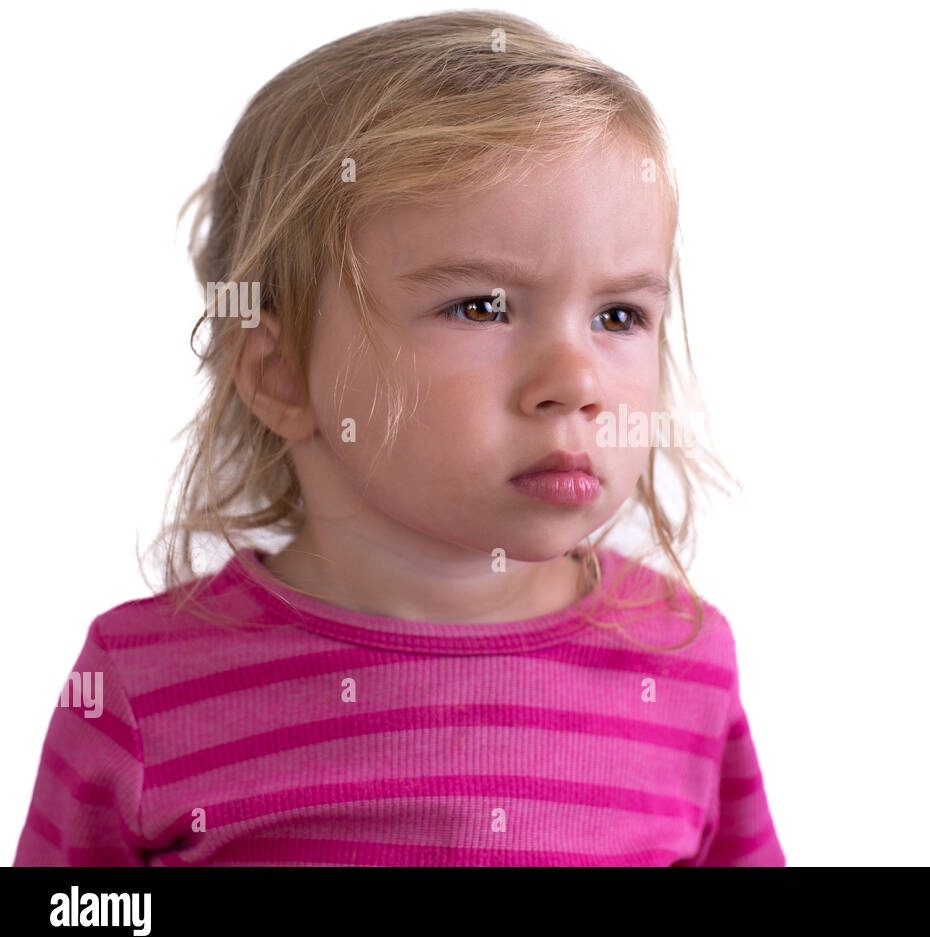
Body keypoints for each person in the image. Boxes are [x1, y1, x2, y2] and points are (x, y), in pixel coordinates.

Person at [13, 10, 783, 866]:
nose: (577, 382)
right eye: (480, 306)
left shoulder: (681, 661)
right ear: (281, 374)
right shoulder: (143, 684)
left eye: (619, 315)